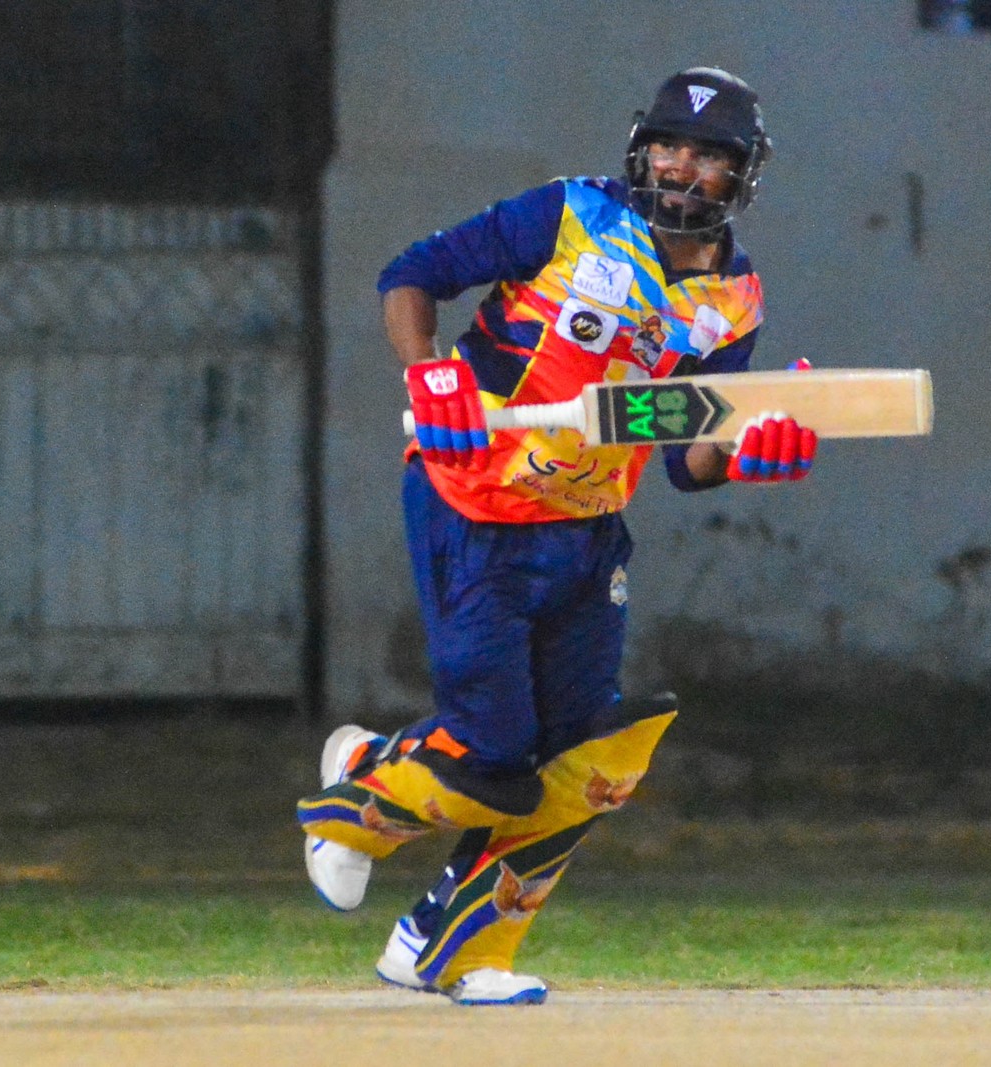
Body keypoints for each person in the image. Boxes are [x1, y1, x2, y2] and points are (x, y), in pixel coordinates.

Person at [296, 67, 818, 1005]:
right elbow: (410, 274)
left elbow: (688, 455)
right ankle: (362, 781)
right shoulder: (569, 215)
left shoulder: (736, 299)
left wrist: (749, 450)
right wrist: (429, 375)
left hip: (587, 529)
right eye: (670, 145)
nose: (682, 167)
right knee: (492, 753)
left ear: (742, 175)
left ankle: (452, 950)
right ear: (642, 148)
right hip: (474, 502)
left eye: (708, 155)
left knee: (587, 758)